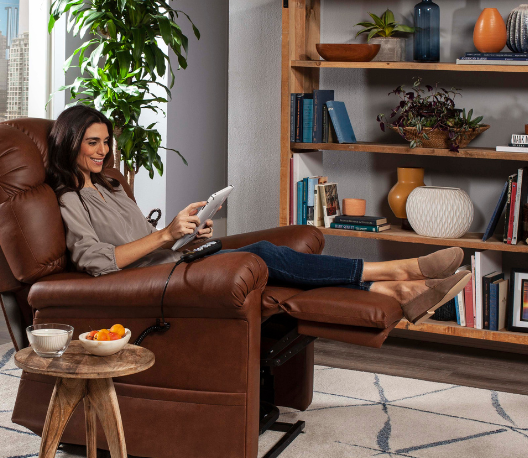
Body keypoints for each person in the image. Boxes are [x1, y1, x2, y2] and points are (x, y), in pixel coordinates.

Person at [46, 105, 471, 323]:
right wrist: (164, 236)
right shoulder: (69, 199)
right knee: (264, 253)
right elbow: (97, 261)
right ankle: (399, 271)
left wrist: (186, 233)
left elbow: (144, 238)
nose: (103, 150)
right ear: (70, 143)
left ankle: (397, 293)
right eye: (92, 142)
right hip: (150, 282)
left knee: (272, 265)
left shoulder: (111, 185)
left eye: (106, 141)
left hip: (174, 261)